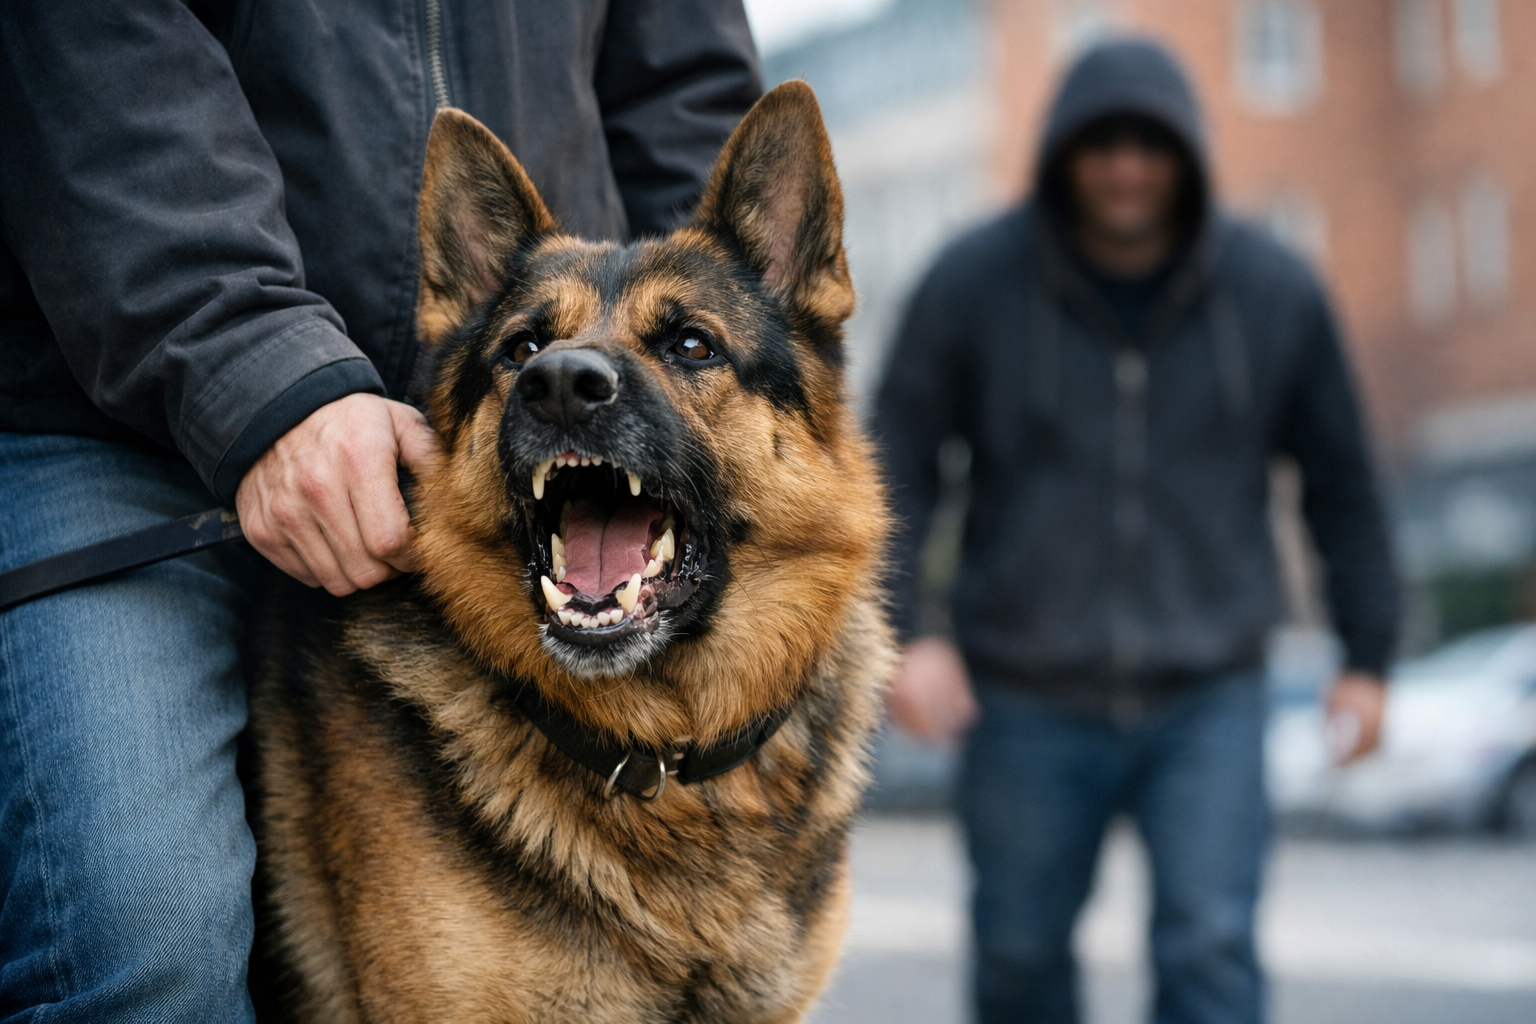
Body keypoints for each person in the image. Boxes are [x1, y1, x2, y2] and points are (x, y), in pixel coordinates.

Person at [0, 2, 759, 1018]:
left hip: (496, 436)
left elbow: (685, 90)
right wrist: (258, 369)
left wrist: (707, 352)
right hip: (101, 403)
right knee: (148, 936)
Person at [875, 38, 1399, 1024]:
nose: (1125, 166)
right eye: (1101, 143)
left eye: (1149, 145)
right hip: (1022, 689)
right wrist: (909, 632)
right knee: (1019, 956)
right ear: (1062, 151)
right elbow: (891, 463)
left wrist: (1368, 655)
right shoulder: (973, 282)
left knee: (1210, 952)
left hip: (1211, 690)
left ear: (1189, 155)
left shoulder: (1273, 290)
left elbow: (1346, 486)